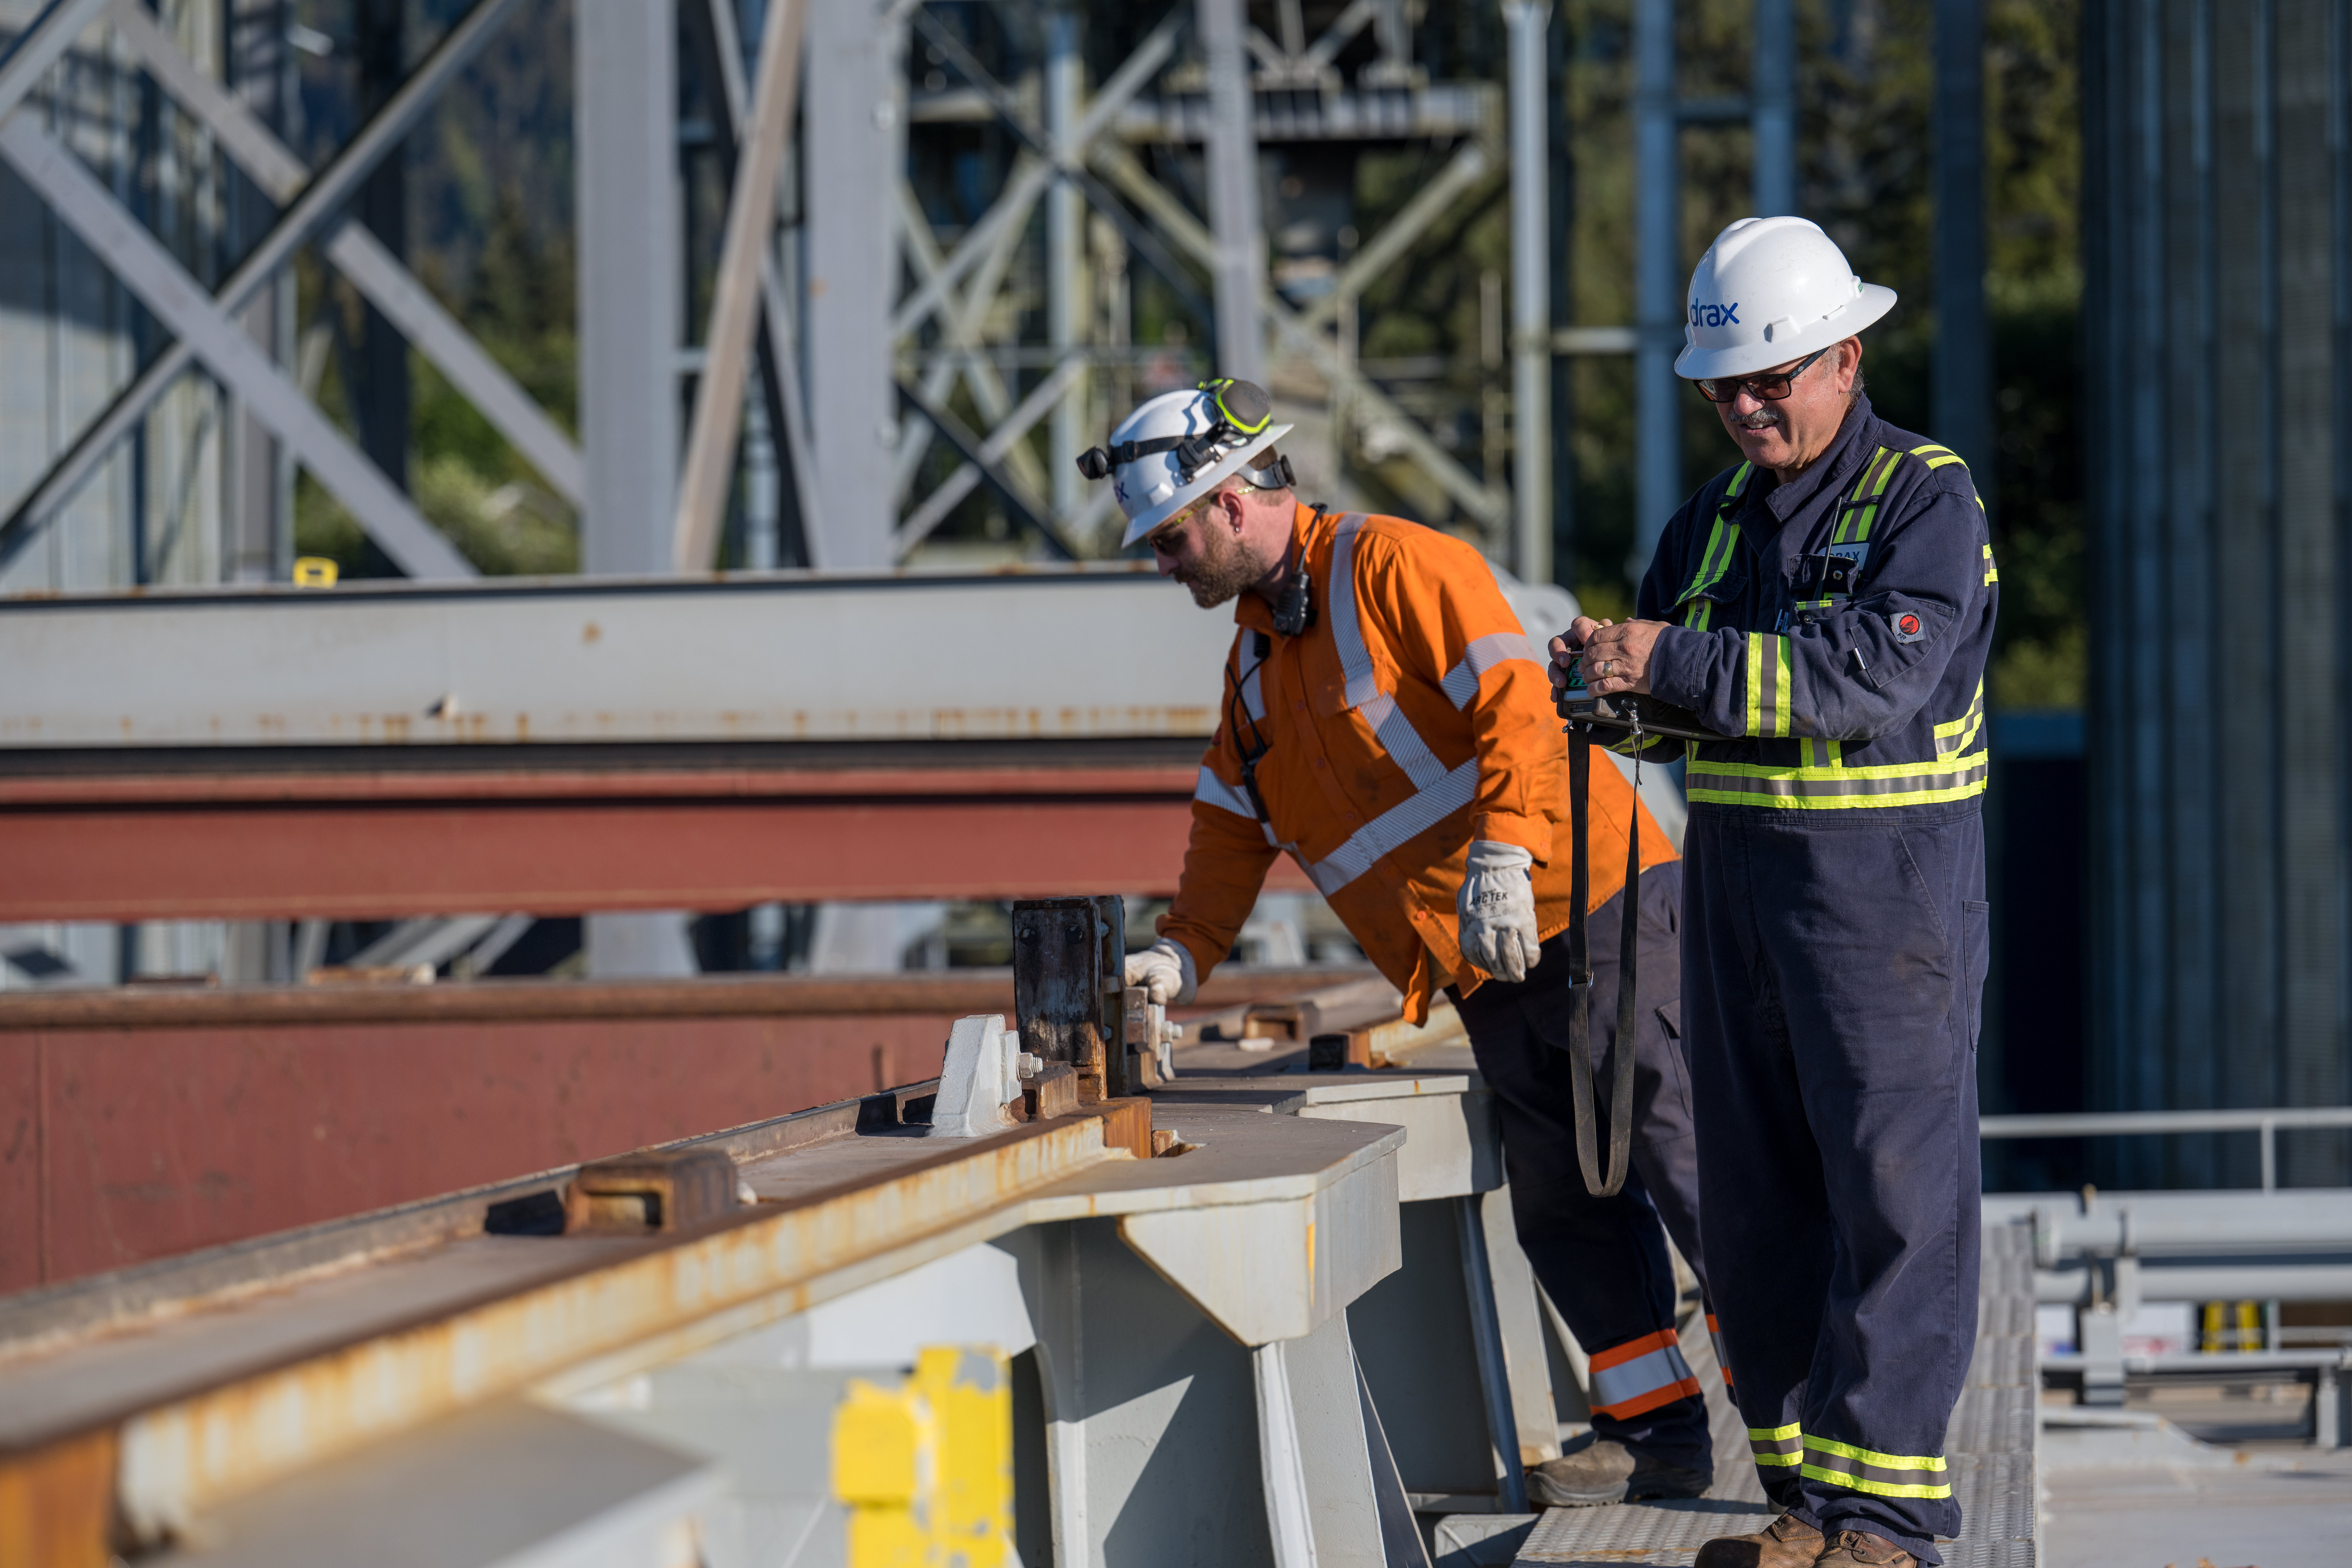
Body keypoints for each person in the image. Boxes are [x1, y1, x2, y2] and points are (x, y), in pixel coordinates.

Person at [1085, 377, 1715, 1506]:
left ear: (1233, 501)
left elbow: (1516, 700)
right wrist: (1177, 956)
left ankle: (1817, 1435)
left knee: (1689, 1159)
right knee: (1566, 1201)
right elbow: (1233, 829)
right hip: (1488, 959)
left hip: (1598, 905)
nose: (1164, 562)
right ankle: (1657, 1433)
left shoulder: (1399, 566)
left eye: (1171, 537)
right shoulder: (1258, 670)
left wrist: (1509, 852)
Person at [1554, 217, 1996, 1568]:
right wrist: (1604, 686)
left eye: (1770, 379)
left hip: (1884, 912)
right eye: (1724, 387)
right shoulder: (1709, 524)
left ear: (1843, 358)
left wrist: (1668, 662)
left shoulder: (1926, 498)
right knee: (1756, 1207)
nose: (1745, 406)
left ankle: (1892, 1519)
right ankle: (1807, 1502)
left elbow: (1867, 678)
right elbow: (1672, 705)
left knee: (1895, 1198)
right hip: (1737, 905)